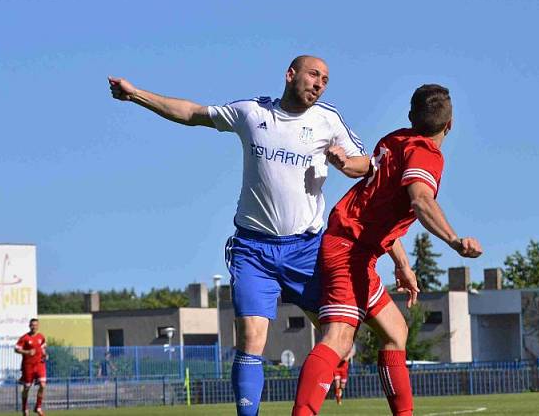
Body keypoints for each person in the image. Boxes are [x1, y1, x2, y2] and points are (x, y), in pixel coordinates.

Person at [109, 56, 370, 415]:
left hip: (306, 250)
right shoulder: (251, 113)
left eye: (325, 79)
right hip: (253, 249)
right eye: (313, 75)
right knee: (251, 339)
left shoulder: (328, 120)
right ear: (290, 74)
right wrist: (136, 94)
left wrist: (345, 163)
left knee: (343, 338)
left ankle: (320, 390)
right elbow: (192, 113)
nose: (319, 83)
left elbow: (366, 163)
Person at [292, 84, 483, 416]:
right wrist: (454, 240)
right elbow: (421, 200)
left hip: (356, 250)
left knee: (396, 331)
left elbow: (380, 208)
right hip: (347, 250)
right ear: (450, 125)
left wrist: (403, 265)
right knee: (338, 337)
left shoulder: (394, 141)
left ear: (411, 117)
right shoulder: (426, 154)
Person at [14, 318, 47, 416]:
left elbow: (43, 347)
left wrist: (44, 354)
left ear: (38, 326)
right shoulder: (24, 338)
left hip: (40, 364)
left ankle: (38, 407)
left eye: (36, 325)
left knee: (42, 385)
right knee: (27, 388)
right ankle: (24, 408)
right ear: (29, 326)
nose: (34, 327)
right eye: (32, 325)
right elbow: (16, 349)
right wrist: (27, 352)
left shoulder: (41, 337)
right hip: (28, 366)